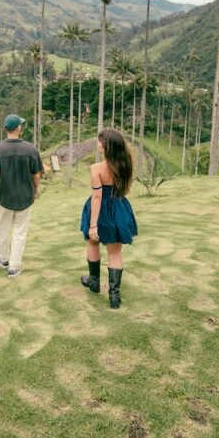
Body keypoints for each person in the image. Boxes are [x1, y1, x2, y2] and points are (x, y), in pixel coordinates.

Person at [80, 127, 137, 309]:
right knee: (115, 251)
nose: (97, 143)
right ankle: (114, 296)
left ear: (105, 145)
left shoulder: (96, 168)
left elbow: (97, 197)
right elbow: (125, 189)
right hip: (119, 207)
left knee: (92, 242)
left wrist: (93, 226)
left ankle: (94, 283)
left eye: (99, 140)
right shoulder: (125, 164)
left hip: (101, 210)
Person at [0, 114, 43, 277]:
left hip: (5, 198)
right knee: (20, 232)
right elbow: (37, 174)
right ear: (18, 128)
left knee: (3, 229)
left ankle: (3, 258)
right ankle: (14, 266)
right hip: (25, 197)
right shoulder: (30, 149)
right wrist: (34, 190)